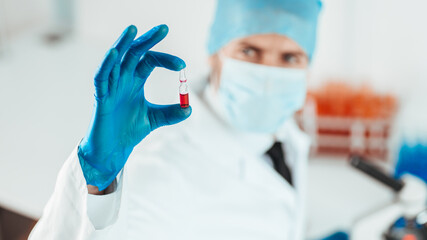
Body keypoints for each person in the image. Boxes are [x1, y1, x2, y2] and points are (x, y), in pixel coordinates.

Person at [29, 0, 323, 239]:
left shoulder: (281, 129)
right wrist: (98, 183)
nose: (268, 79)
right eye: (249, 51)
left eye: (290, 58)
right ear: (215, 52)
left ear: (308, 63)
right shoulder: (163, 170)